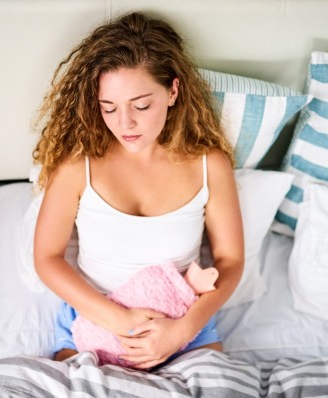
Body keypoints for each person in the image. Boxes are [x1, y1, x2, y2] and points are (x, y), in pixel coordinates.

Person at [33, 12, 244, 370]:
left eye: (141, 105)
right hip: (94, 316)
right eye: (109, 108)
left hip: (183, 315)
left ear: (173, 91)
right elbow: (47, 258)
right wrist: (120, 322)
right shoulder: (76, 166)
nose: (124, 123)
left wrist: (183, 329)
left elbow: (231, 261)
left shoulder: (210, 164)